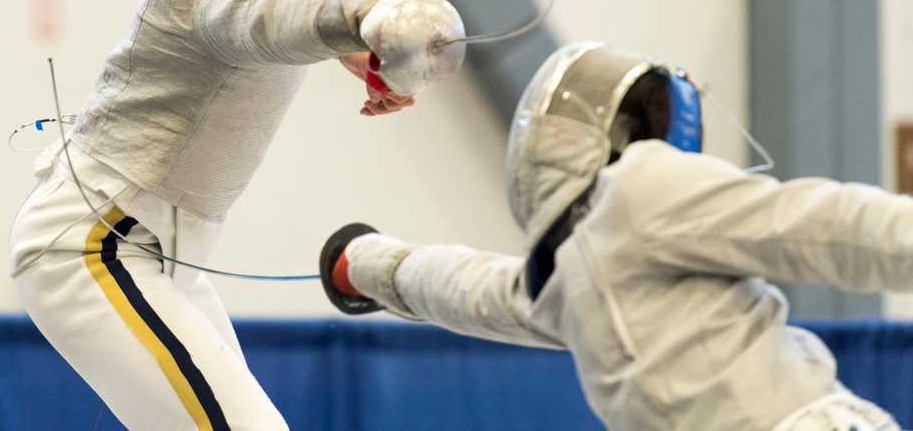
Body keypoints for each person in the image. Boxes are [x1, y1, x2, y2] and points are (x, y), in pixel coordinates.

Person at [8, 0, 465, 431]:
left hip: (154, 248)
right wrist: (371, 12)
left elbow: (278, 3)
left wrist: (352, 41)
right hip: (99, 243)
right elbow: (259, 12)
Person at [320, 40, 911, 431]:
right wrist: (362, 264)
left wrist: (359, 263)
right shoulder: (564, 276)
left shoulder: (640, 187)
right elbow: (466, 290)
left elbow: (829, 227)